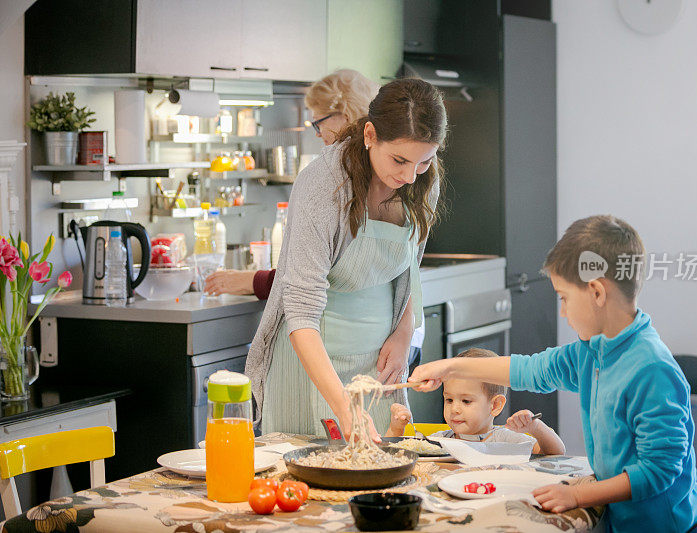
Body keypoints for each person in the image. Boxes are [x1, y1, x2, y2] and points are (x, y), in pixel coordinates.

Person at [408, 215, 697, 532]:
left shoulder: (652, 369)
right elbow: (530, 369)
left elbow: (658, 471)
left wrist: (579, 493)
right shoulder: (593, 351)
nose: (563, 312)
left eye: (564, 298)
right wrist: (451, 366)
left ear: (596, 292)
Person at [246, 78, 447, 443]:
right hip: (310, 360)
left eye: (423, 161)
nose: (408, 175)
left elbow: (408, 269)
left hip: (376, 362)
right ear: (370, 134)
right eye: (399, 160)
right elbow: (301, 308)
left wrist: (403, 334)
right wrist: (342, 406)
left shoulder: (423, 181)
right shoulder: (324, 185)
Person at [205, 69, 379, 297]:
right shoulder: (381, 168)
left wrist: (251, 281)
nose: (317, 134)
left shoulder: (330, 178)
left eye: (318, 123)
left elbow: (311, 277)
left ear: (345, 115)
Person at [386, 348, 565, 455]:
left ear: (495, 405)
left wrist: (536, 428)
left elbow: (556, 453)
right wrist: (396, 428)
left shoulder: (507, 440)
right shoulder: (437, 442)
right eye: (449, 399)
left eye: (466, 401)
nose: (454, 409)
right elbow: (393, 455)